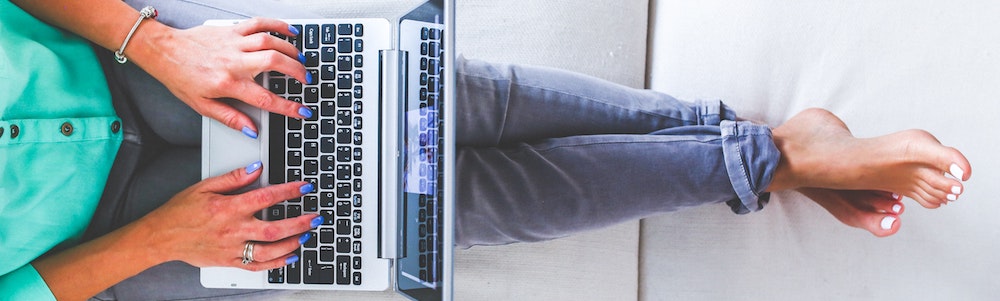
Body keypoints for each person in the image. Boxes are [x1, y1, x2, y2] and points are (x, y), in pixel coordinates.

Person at [0, 0, 971, 300]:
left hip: (128, 61)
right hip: (112, 232)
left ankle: (778, 155)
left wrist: (158, 42)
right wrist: (160, 238)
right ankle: (778, 154)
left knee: (407, 105)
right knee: (426, 208)